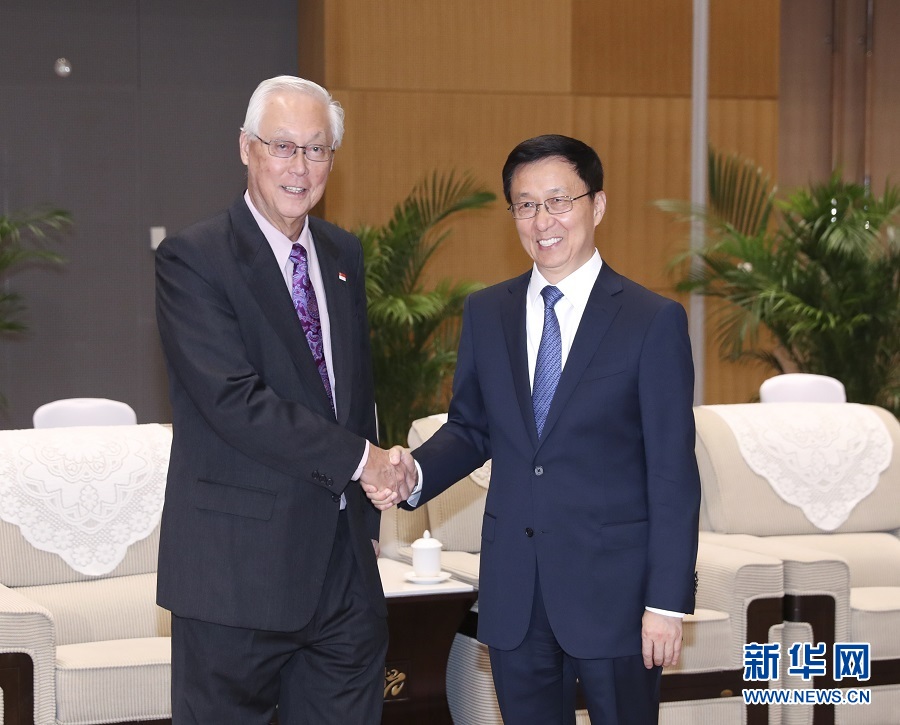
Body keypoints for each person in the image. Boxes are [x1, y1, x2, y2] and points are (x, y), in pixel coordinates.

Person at [369, 134, 701, 724]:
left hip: (616, 599)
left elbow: (673, 473)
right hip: (515, 595)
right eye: (525, 205)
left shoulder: (651, 321)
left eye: (558, 201)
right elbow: (472, 428)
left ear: (597, 205)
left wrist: (666, 603)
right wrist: (413, 473)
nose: (542, 220)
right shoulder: (486, 312)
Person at [155, 76, 404, 725]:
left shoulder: (343, 253)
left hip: (343, 577)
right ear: (247, 147)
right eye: (283, 146)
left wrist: (368, 523)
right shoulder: (194, 258)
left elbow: (354, 393)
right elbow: (236, 401)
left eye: (316, 149)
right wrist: (364, 460)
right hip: (236, 576)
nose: (300, 166)